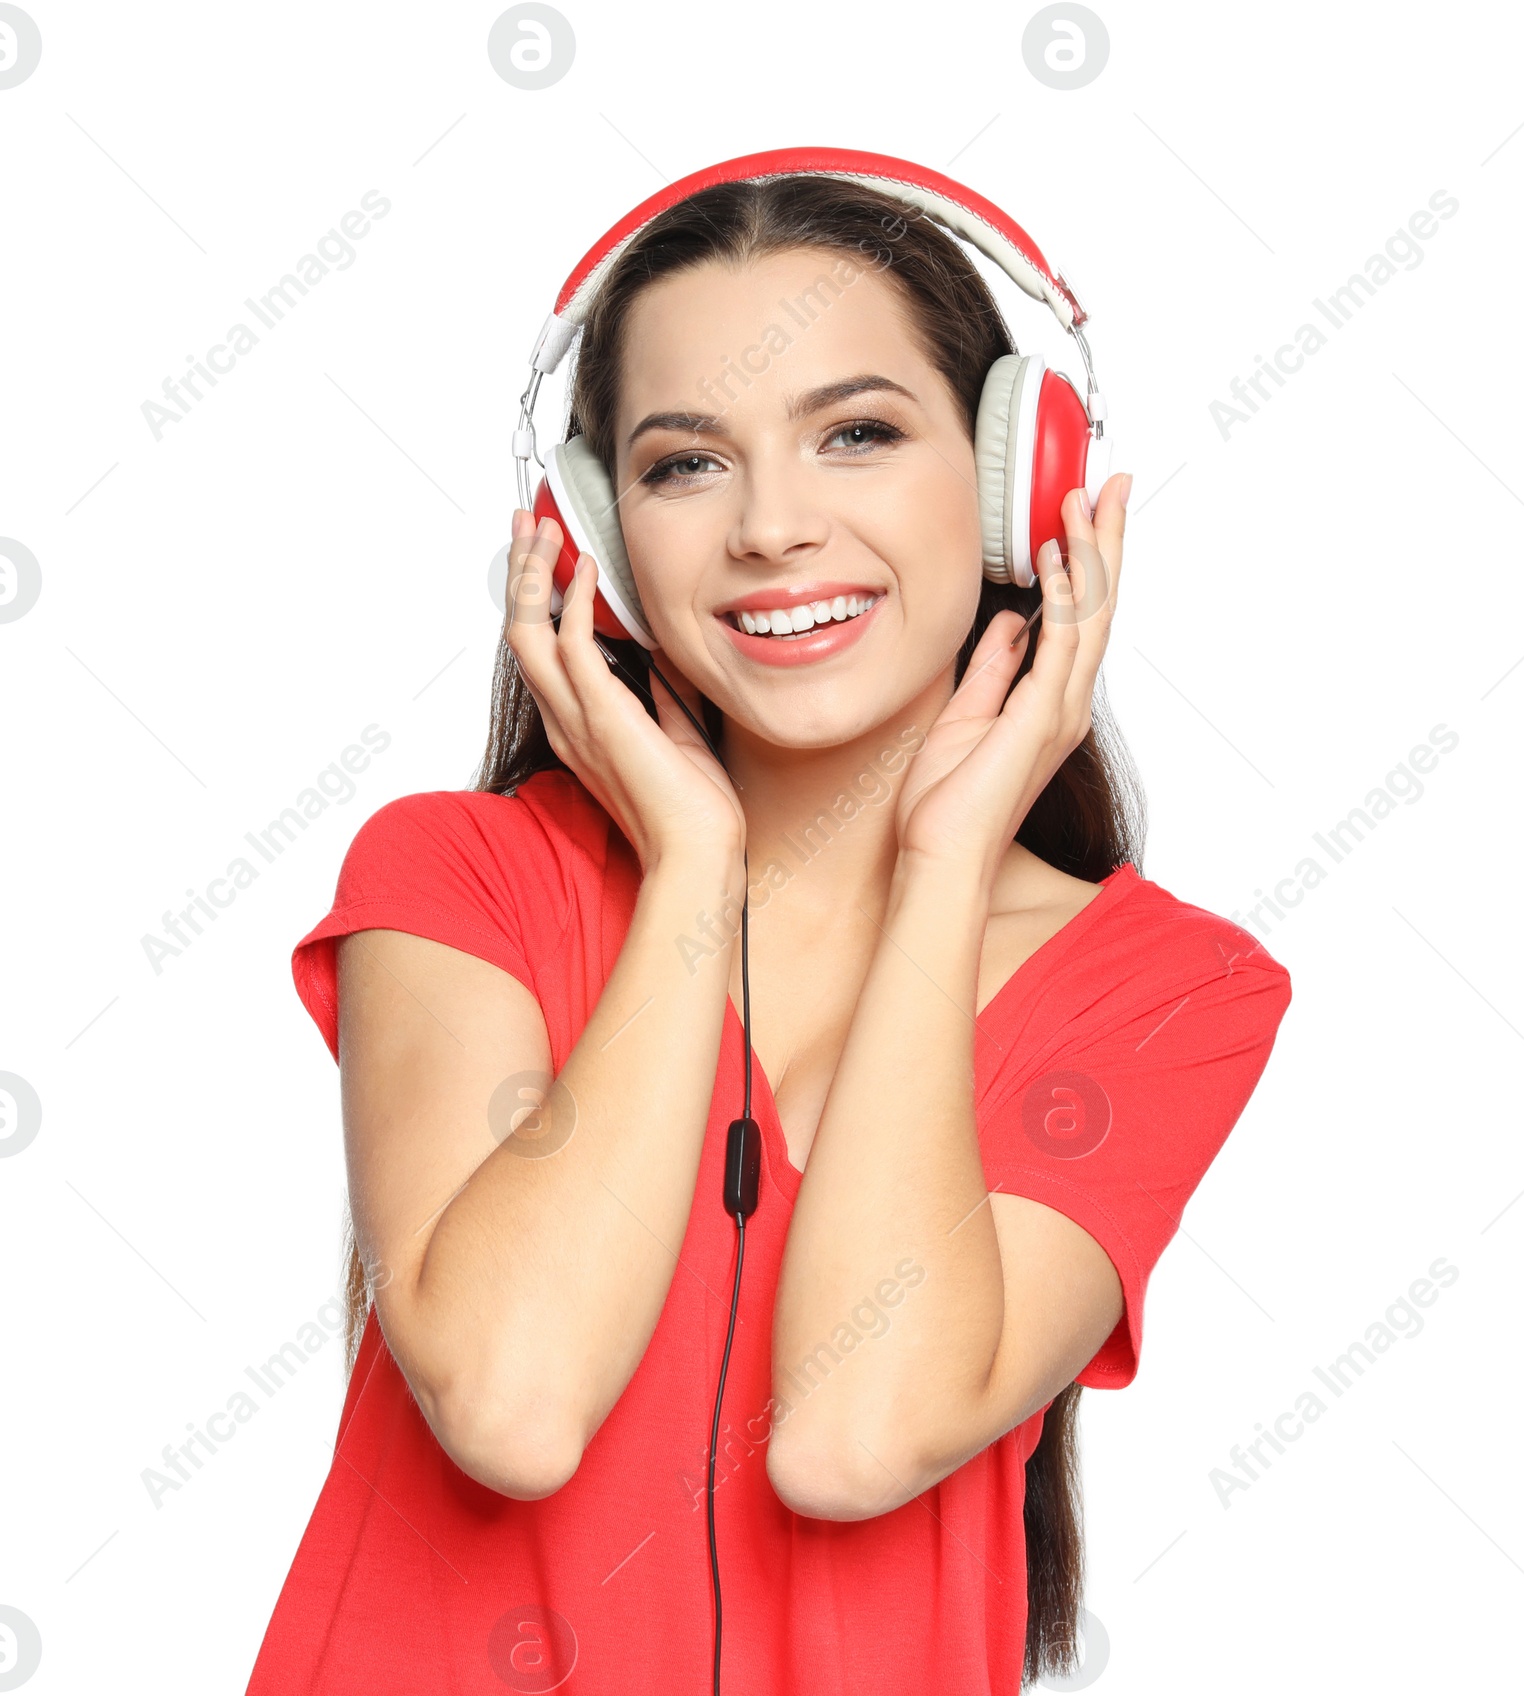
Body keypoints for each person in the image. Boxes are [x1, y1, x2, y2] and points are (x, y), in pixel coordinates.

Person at [245, 172, 1292, 1695]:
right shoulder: (462, 882)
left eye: (856, 432)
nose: (774, 526)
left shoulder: (1162, 993)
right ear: (598, 541)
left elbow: (856, 1433)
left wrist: (943, 866)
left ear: (1020, 478)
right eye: (685, 466)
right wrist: (689, 877)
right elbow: (512, 1401)